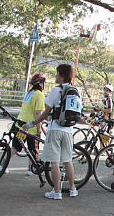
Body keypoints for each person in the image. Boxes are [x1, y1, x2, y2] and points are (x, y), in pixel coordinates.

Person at [23, 63, 80, 199]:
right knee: (67, 160)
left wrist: (32, 123)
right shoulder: (75, 90)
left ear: (61, 76)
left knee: (54, 161)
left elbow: (45, 113)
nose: (55, 76)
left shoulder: (56, 91)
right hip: (68, 130)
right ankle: (72, 189)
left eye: (57, 74)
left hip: (55, 129)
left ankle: (57, 192)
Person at [12, 72, 46, 175]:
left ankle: (2, 165)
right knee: (33, 149)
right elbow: (37, 113)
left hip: (21, 125)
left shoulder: (29, 93)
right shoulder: (39, 95)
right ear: (41, 83)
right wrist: (39, 127)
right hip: (31, 127)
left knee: (15, 147)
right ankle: (30, 169)